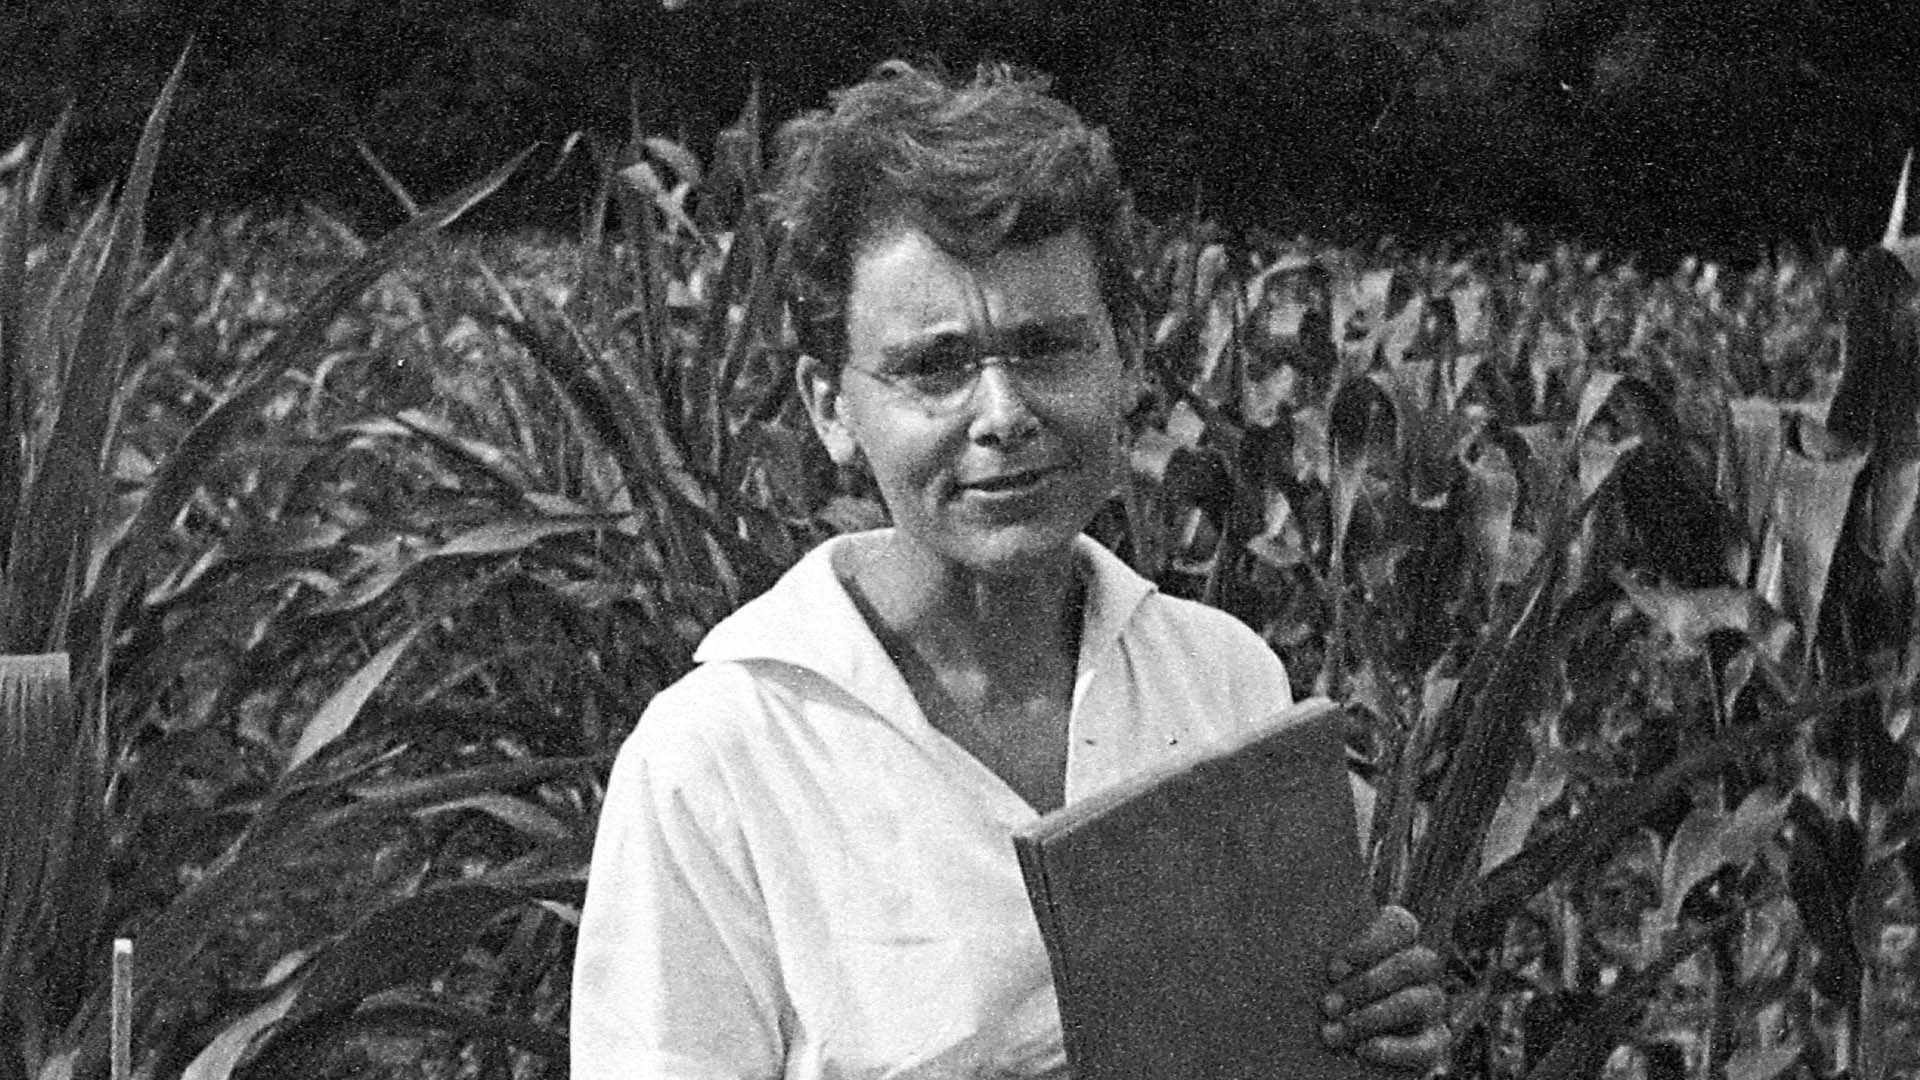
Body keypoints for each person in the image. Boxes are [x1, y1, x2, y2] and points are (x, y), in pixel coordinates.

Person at [571, 61, 1450, 1080]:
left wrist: (1372, 1032)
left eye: (1045, 349)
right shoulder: (718, 759)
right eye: (933, 367)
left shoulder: (1223, 681)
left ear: (1126, 359)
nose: (1002, 415)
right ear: (829, 406)